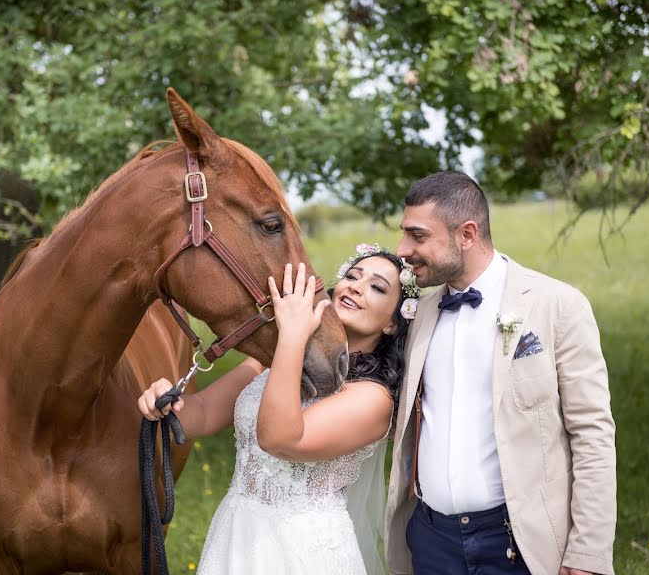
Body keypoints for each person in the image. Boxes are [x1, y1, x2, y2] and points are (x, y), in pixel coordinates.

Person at [384, 172, 617, 575]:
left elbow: (593, 433)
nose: (403, 249)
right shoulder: (416, 312)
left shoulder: (558, 305)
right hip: (430, 541)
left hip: (519, 541)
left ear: (467, 234)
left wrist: (587, 552)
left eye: (417, 236)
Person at [139, 246, 421, 574]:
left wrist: (291, 336)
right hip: (236, 534)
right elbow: (201, 413)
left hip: (303, 551)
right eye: (352, 277)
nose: (356, 286)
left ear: (392, 324)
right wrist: (165, 404)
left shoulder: (373, 399)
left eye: (377, 287)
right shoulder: (270, 360)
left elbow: (279, 439)